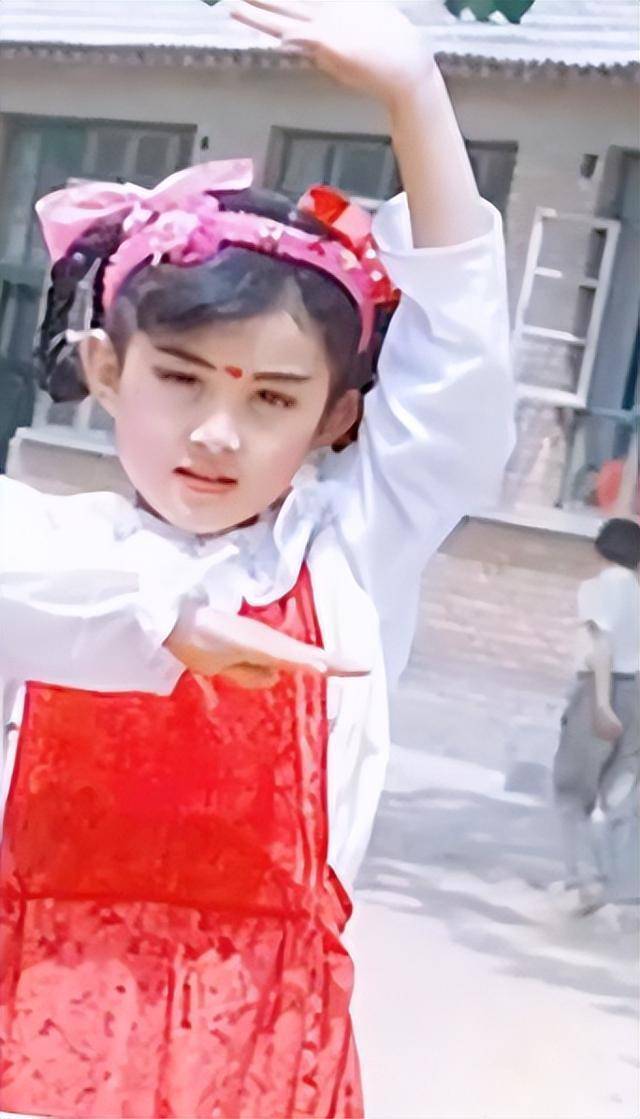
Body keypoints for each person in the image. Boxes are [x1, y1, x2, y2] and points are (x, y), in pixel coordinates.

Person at [0, 2, 514, 1116]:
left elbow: (462, 378)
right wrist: (162, 621)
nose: (218, 434)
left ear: (336, 419)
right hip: (33, 1026)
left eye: (273, 399)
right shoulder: (46, 548)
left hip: (263, 1049)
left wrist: (416, 99)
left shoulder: (351, 554)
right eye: (180, 378)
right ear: (104, 370)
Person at [553, 517, 640, 908]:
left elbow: (601, 647)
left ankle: (580, 881)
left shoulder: (596, 589)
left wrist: (602, 704)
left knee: (573, 790)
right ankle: (620, 881)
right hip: (636, 692)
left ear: (599, 549)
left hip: (599, 691)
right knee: (621, 791)